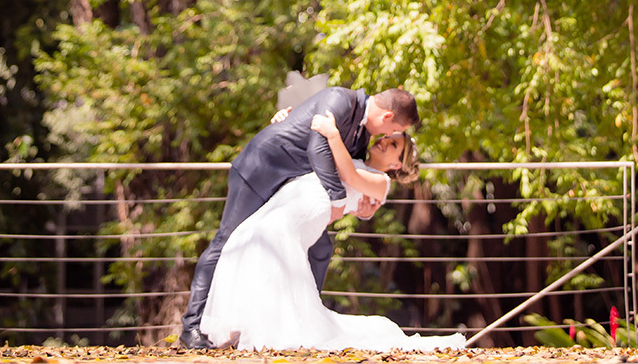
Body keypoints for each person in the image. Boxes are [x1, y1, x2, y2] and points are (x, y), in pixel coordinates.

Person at [199, 110, 467, 351]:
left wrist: (332, 133)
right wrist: (286, 120)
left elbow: (350, 177)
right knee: (246, 240)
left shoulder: (381, 183)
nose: (384, 141)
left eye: (394, 145)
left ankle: (262, 330)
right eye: (389, 137)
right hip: (286, 204)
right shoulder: (353, 155)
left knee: (269, 247)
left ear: (397, 165)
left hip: (301, 217)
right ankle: (243, 325)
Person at [179, 85, 419, 350]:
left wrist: (363, 208)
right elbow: (318, 148)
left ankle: (302, 321)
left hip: (290, 193)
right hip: (261, 171)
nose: (386, 136)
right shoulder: (341, 99)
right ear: (387, 117)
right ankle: (192, 327)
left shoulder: (363, 137)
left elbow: (352, 172)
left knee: (321, 249)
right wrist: (337, 198)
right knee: (226, 242)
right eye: (392, 130)